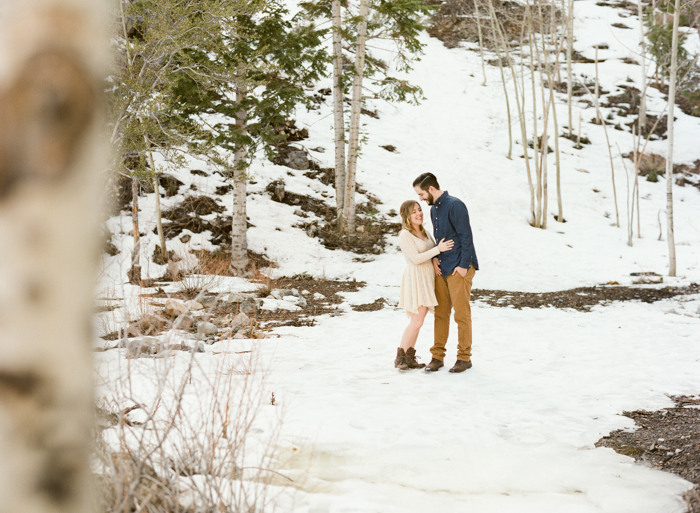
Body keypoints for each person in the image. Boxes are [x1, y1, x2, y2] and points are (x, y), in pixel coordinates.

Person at [413, 173, 479, 373]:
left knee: (461, 314)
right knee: (441, 314)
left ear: (431, 189)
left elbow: (466, 237)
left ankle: (464, 358)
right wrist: (435, 258)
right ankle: (437, 357)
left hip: (460, 266)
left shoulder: (455, 205)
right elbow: (439, 239)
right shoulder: (434, 209)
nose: (421, 199)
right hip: (442, 267)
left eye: (421, 194)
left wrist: (463, 266)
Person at [396, 200, 453, 370]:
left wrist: (435, 258)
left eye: (419, 210)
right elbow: (415, 258)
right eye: (414, 212)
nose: (419, 213)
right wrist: (438, 251)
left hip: (428, 277)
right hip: (416, 278)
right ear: (407, 216)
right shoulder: (405, 234)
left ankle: (409, 357)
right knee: (417, 321)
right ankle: (400, 358)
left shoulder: (425, 232)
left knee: (419, 320)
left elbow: (431, 248)